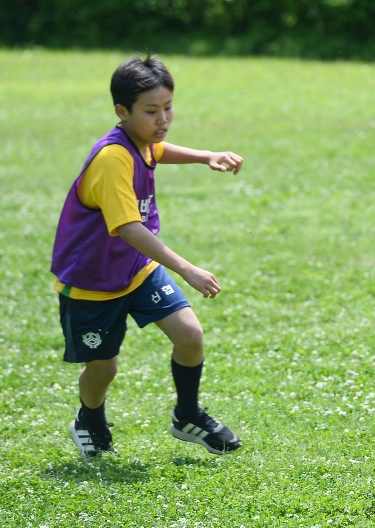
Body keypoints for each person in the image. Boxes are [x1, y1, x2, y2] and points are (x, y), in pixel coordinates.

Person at [52, 55, 243, 458]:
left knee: (190, 334)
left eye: (168, 108)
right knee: (104, 368)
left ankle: (187, 415)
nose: (163, 119)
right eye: (152, 111)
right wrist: (187, 268)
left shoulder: (141, 141)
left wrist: (203, 155)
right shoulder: (112, 158)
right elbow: (128, 227)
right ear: (122, 112)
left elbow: (157, 149)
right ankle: (89, 418)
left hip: (136, 268)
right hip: (92, 281)